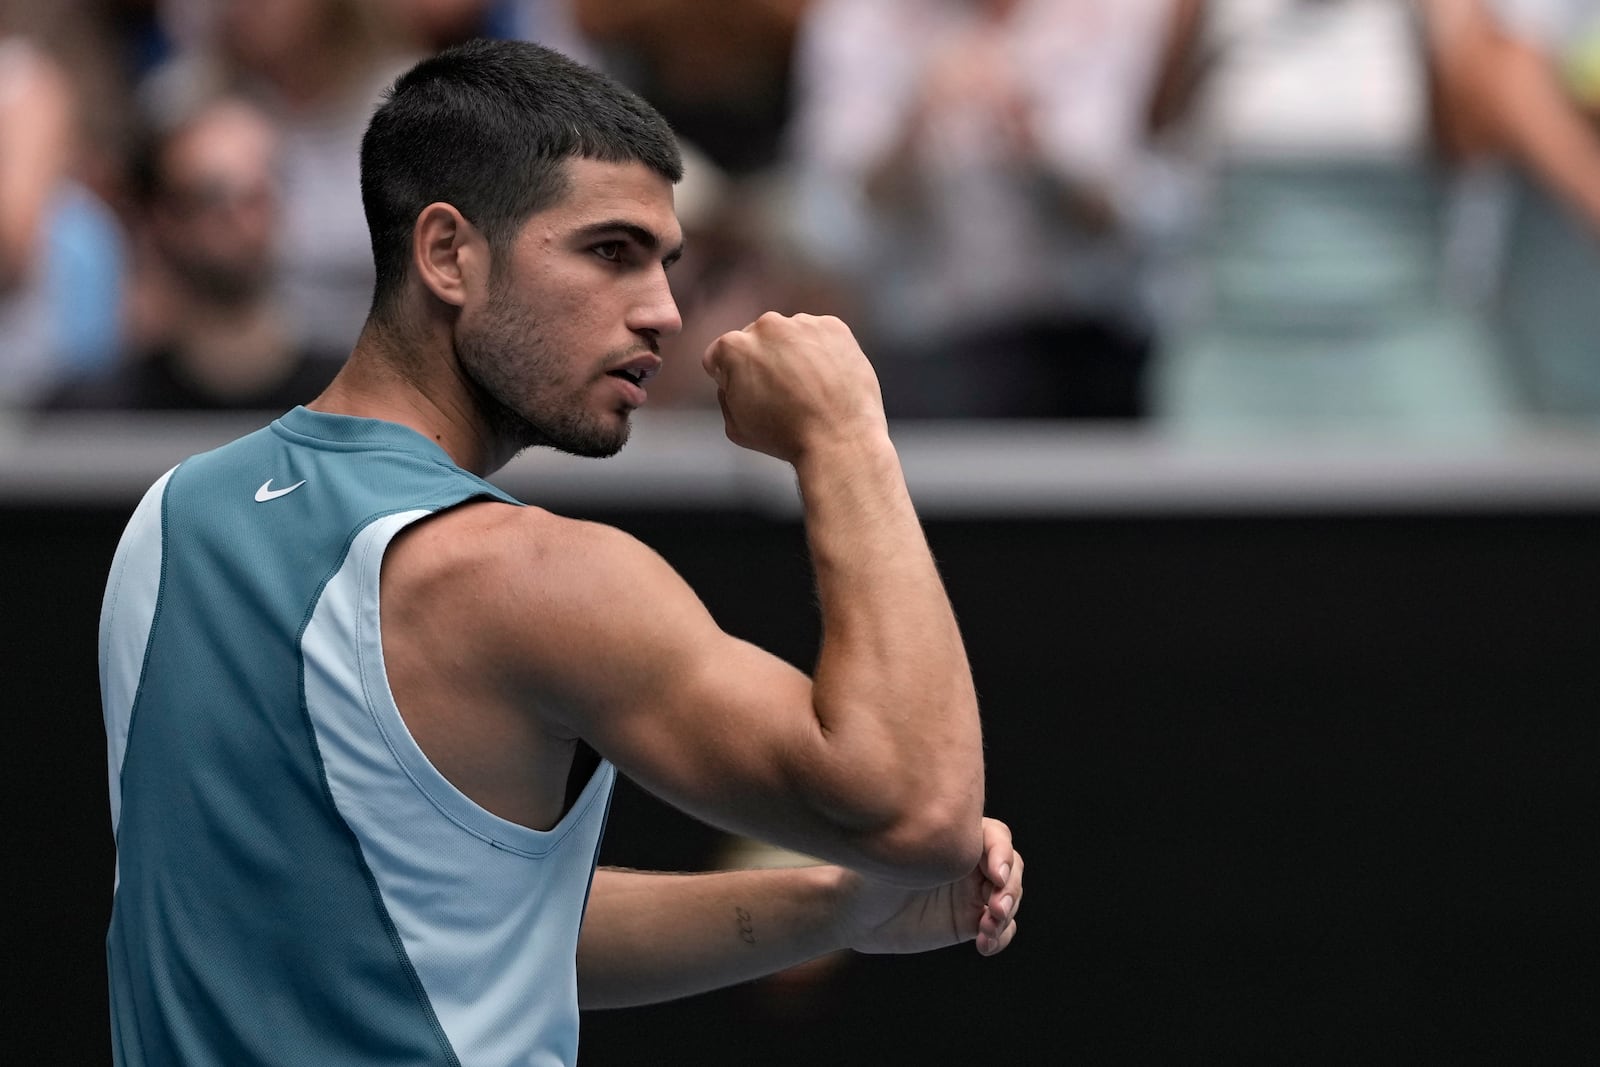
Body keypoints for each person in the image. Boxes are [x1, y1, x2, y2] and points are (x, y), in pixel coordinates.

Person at [98, 36, 1023, 1065]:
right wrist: (845, 433)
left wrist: (830, 908)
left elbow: (440, 931)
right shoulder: (524, 573)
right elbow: (926, 811)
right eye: (610, 251)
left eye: (666, 264)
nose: (663, 310)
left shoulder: (171, 518)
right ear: (448, 253)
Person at [48, 91, 337, 411]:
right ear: (159, 219)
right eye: (209, 197)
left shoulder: (358, 405)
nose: (237, 219)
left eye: (255, 196)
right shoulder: (95, 410)